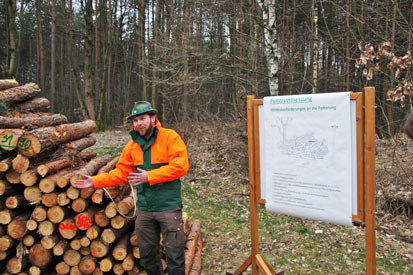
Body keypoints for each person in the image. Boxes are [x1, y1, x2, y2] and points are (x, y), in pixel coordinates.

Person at [73, 101, 189, 275]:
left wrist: (149, 176)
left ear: (153, 118)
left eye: (142, 119)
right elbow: (120, 174)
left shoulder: (170, 137)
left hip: (168, 207)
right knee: (148, 256)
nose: (138, 124)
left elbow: (180, 166)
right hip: (145, 209)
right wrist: (95, 181)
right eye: (135, 121)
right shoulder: (132, 146)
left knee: (175, 256)